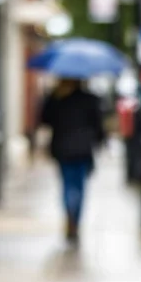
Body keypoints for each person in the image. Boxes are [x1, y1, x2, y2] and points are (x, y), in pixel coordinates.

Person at [38, 78, 105, 244]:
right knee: (79, 186)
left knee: (67, 185)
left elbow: (44, 119)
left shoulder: (57, 98)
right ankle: (76, 221)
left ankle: (70, 217)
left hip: (62, 149)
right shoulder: (89, 98)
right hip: (82, 149)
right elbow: (98, 125)